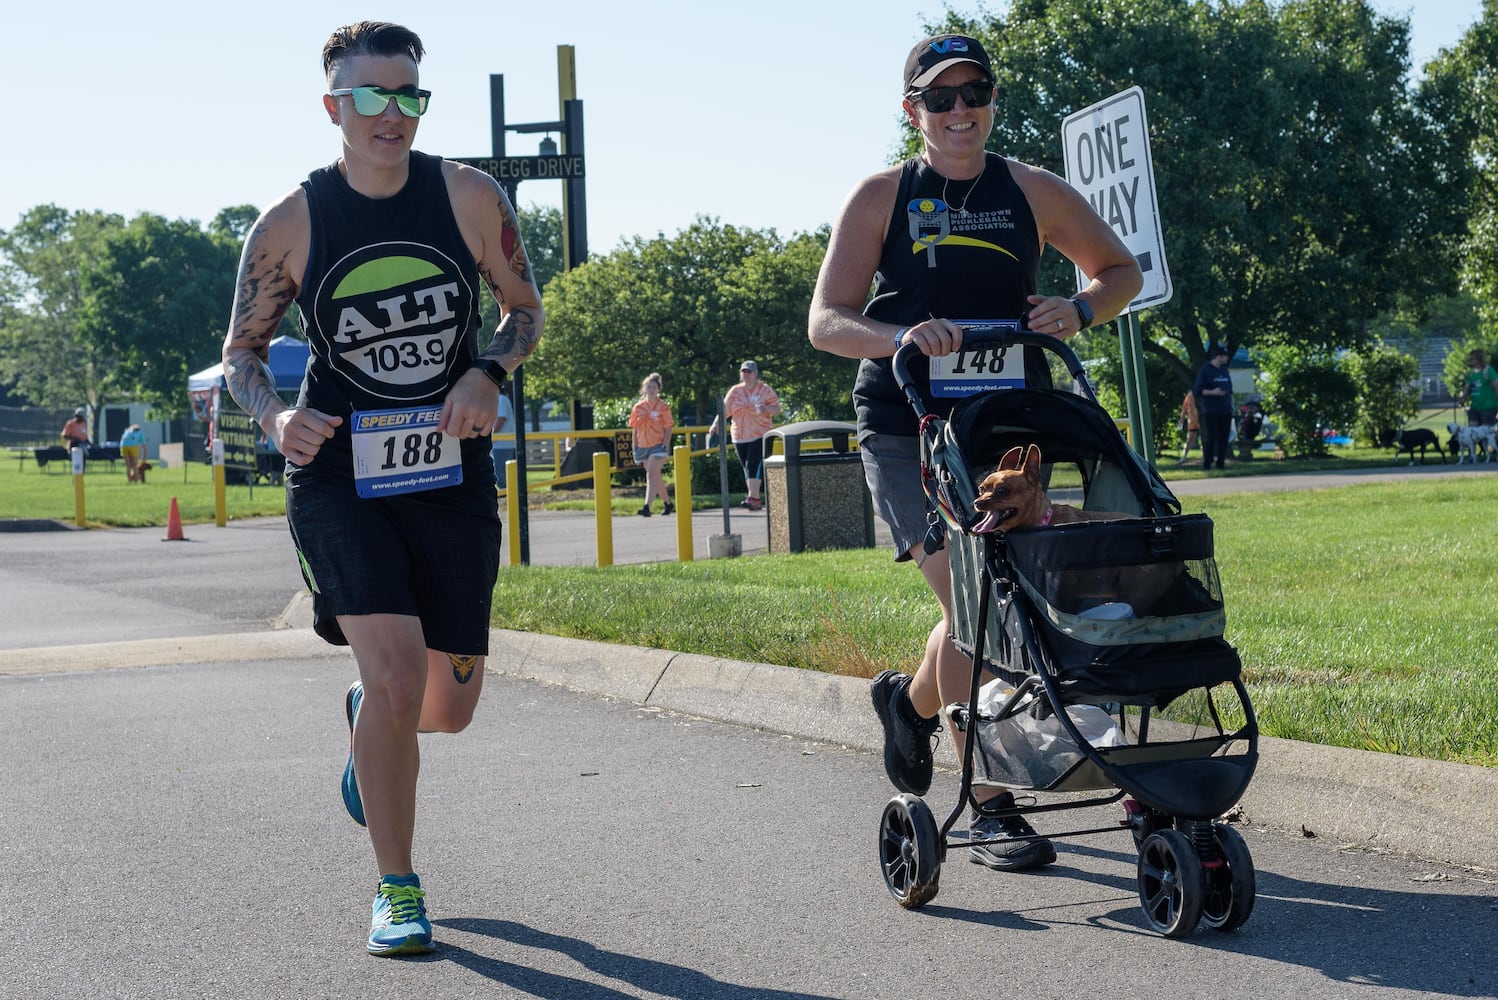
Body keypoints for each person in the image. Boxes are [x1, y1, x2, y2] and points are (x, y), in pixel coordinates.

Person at [221, 21, 543, 958]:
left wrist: (488, 371)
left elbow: (524, 309)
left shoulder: (468, 197)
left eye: (408, 95)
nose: (391, 114)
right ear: (335, 106)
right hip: (337, 472)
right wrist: (278, 420)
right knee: (399, 676)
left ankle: (371, 723)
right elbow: (241, 355)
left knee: (446, 706)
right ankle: (397, 888)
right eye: (371, 97)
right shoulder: (292, 223)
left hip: (448, 468)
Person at [807, 33, 1142, 872]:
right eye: (941, 97)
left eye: (974, 93)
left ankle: (911, 705)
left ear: (991, 99)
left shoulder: (1030, 188)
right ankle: (989, 802)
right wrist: (898, 336)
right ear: (911, 108)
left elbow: (1118, 271)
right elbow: (826, 322)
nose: (961, 111)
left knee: (993, 600)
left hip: (1007, 430)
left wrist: (1079, 309)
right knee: (975, 609)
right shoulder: (883, 196)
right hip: (908, 424)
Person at [708, 360, 781, 511]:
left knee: (753, 464)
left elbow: (777, 410)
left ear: (755, 374)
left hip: (760, 433)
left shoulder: (764, 390)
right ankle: (755, 499)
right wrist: (716, 424)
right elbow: (724, 410)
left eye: (749, 372)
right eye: (744, 372)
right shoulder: (735, 391)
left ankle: (752, 497)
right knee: (747, 468)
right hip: (739, 435)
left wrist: (765, 408)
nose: (746, 374)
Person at [628, 372, 675, 516]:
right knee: (656, 477)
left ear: (658, 389)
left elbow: (668, 428)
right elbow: (634, 429)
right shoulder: (638, 407)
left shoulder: (663, 407)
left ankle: (646, 506)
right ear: (644, 389)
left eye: (654, 387)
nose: (651, 390)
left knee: (651, 475)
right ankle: (668, 503)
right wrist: (634, 447)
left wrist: (665, 445)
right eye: (649, 387)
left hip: (658, 445)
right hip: (643, 445)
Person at [1193, 345, 1234, 471]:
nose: (1227, 358)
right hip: (1212, 410)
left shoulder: (1224, 370)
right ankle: (1207, 463)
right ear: (1218, 356)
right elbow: (1197, 391)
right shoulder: (1206, 370)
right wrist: (1213, 392)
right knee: (1211, 437)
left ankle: (1220, 464)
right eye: (1225, 356)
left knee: (1224, 437)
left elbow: (1229, 389)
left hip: (1226, 410)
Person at [1459, 349, 1498, 427]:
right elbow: (1467, 388)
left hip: (1488, 408)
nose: (1470, 360)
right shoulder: (1471, 373)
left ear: (1479, 359)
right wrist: (1463, 398)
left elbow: (1496, 386)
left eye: (1473, 358)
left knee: (1486, 433)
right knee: (1472, 431)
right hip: (1474, 407)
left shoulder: (1488, 370)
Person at [490, 384, 516, 489]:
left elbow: (501, 418)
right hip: (502, 443)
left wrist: (493, 435)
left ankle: (504, 494)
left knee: (501, 473)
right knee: (500, 471)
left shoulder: (501, 399)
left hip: (502, 444)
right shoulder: (502, 399)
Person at [1177, 390, 1199, 463]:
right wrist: (1181, 420)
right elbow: (1184, 409)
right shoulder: (1189, 396)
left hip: (1200, 419)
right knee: (1190, 439)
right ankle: (1184, 456)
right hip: (1193, 420)